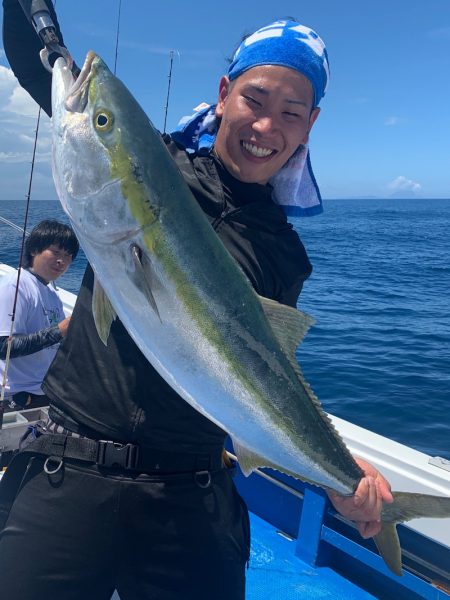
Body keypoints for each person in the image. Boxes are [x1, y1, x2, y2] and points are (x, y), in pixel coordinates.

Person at [0, 3, 393, 599]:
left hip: (190, 493)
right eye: (255, 101)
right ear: (224, 93)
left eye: (290, 113)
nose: (266, 127)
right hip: (67, 467)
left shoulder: (286, 255)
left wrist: (342, 474)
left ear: (309, 126)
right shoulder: (158, 164)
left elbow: (264, 377)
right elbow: (39, 71)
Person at [0, 219, 79, 412]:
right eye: (56, 252)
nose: (62, 261)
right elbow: (4, 347)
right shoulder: (17, 285)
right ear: (35, 249)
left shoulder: (52, 294)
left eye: (68, 255)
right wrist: (59, 331)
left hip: (46, 391)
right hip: (17, 397)